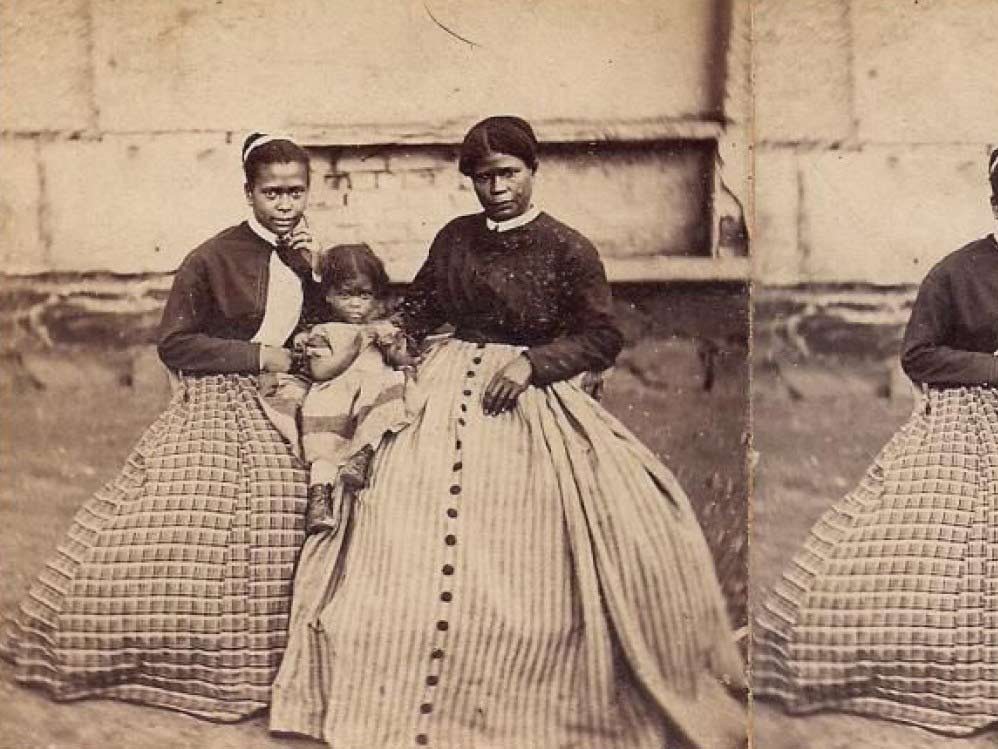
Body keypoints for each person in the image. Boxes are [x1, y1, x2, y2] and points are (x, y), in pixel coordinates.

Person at [269, 115, 745, 749]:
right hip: (440, 387)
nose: (494, 189)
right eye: (481, 177)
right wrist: (402, 334)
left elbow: (601, 335)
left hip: (528, 399)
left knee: (583, 530)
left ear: (531, 171)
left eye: (507, 174)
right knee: (390, 506)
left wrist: (532, 363)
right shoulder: (456, 239)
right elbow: (425, 305)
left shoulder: (568, 247)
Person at [751, 147, 998, 735]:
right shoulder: (956, 270)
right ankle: (916, 674)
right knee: (954, 532)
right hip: (963, 412)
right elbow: (918, 355)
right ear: (994, 206)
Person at [0, 133, 322, 720]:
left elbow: (318, 320)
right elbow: (175, 343)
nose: (284, 205)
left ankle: (287, 665)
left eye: (295, 192)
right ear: (248, 193)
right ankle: (175, 656)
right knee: (210, 510)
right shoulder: (211, 256)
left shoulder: (303, 252)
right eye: (271, 193)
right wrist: (262, 357)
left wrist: (307, 272)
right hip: (222, 397)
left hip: (289, 394)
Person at [258, 243, 420, 534]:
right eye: (346, 295)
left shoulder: (381, 328)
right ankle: (319, 499)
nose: (356, 304)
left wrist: (392, 347)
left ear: (377, 297)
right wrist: (356, 346)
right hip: (334, 395)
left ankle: (361, 455)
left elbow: (403, 361)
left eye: (364, 295)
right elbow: (321, 371)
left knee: (393, 389)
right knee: (325, 450)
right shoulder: (323, 332)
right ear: (329, 295)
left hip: (369, 394)